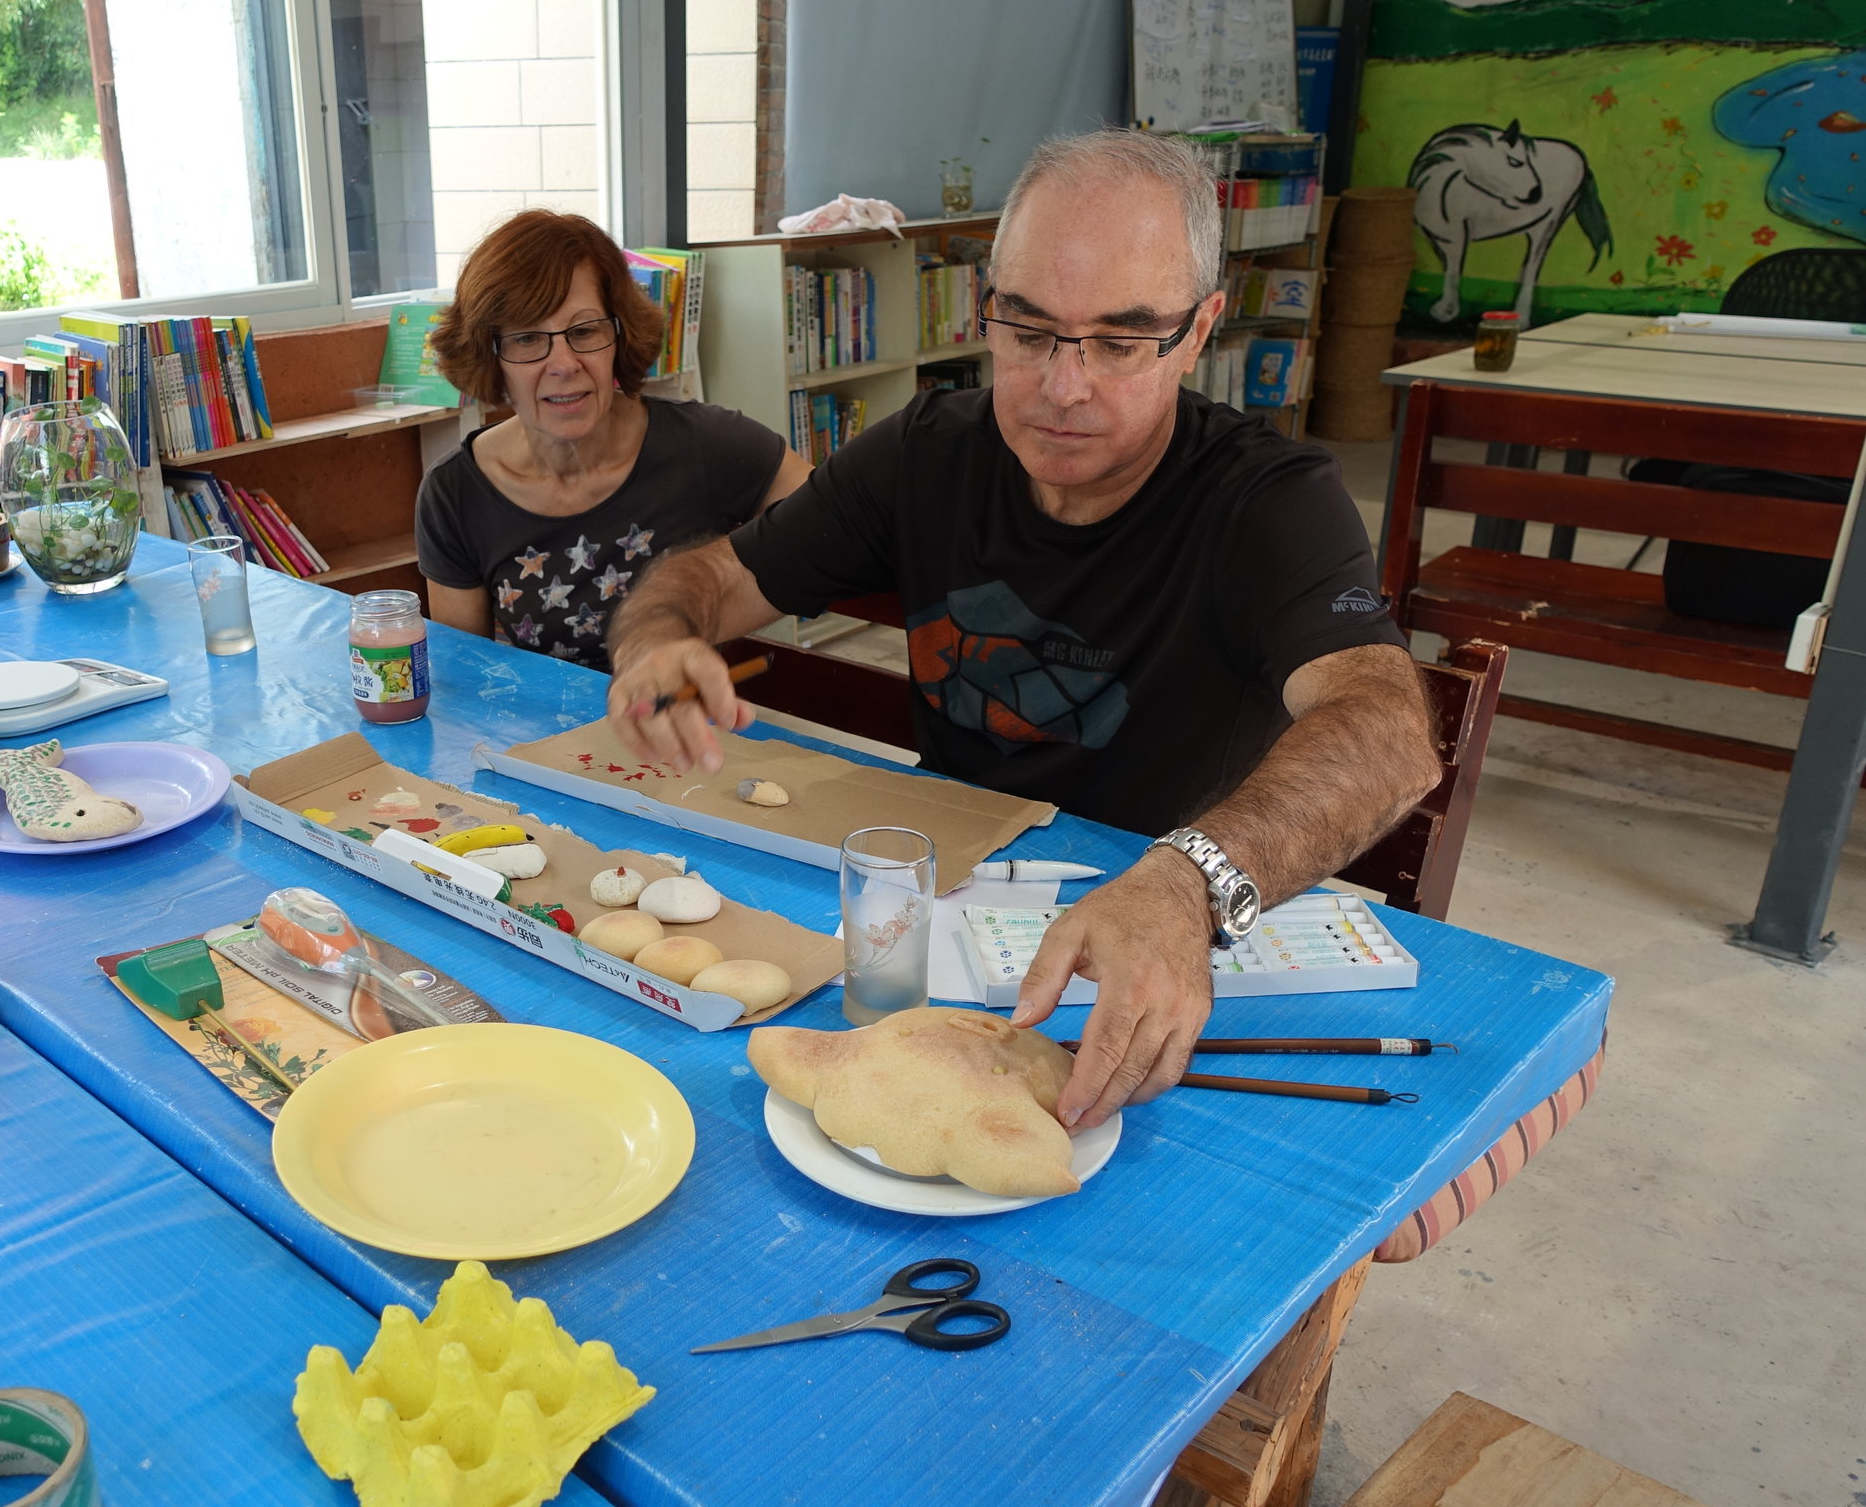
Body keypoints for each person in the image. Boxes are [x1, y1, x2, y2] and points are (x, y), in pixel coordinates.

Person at [603, 129, 1440, 1129]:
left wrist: (1187, 881)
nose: (1062, 384)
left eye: (1122, 342)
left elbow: (1388, 730)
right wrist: (657, 634)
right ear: (984, 307)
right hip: (940, 928)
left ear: (1200, 328)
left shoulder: (1264, 500)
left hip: (1164, 958)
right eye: (1028, 328)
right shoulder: (929, 449)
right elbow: (716, 572)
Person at [417, 210, 809, 671]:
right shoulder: (455, 494)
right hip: (543, 740)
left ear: (619, 336)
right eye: (526, 339)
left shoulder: (707, 444)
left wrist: (718, 581)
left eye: (584, 331)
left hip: (685, 726)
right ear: (490, 356)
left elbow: (841, 521)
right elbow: (466, 680)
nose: (563, 364)